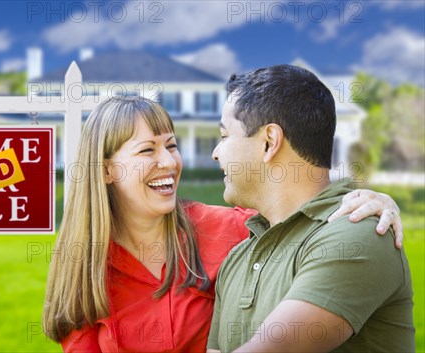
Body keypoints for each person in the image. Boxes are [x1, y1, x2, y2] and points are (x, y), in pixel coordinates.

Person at [42, 96, 403, 353]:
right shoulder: (85, 273)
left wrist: (367, 200)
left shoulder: (228, 229)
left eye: (171, 145)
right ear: (106, 170)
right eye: (147, 150)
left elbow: (300, 218)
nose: (168, 162)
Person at [207, 65, 414, 352]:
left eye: (224, 136)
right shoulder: (238, 259)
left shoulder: (359, 233)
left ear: (269, 142)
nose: (216, 152)